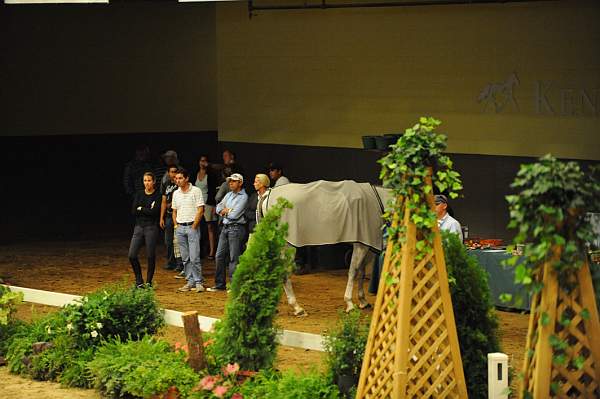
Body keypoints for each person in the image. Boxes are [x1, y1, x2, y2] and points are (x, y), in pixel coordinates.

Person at [207, 173, 248, 292]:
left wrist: (226, 211)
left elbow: (235, 215)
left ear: (240, 183)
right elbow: (219, 208)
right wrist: (226, 210)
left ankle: (234, 286)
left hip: (236, 228)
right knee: (219, 256)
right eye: (230, 181)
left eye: (234, 181)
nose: (230, 183)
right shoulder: (229, 194)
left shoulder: (243, 197)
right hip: (225, 228)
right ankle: (220, 284)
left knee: (233, 258)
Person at [172, 168, 206, 293]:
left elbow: (200, 209)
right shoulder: (176, 193)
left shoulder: (196, 191)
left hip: (192, 226)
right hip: (180, 227)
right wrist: (176, 225)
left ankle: (198, 282)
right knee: (185, 257)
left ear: (186, 178)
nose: (178, 181)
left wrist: (194, 226)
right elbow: (174, 211)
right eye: (176, 178)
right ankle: (190, 281)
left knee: (194, 257)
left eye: (180, 178)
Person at [128, 172, 161, 288]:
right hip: (139, 226)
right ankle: (139, 280)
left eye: (149, 180)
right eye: (145, 181)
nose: (147, 183)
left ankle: (148, 281)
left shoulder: (157, 195)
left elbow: (154, 212)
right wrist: (146, 209)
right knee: (132, 255)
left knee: (150, 255)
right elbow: (133, 211)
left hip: (151, 227)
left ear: (154, 182)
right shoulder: (139, 194)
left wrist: (141, 208)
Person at [194, 155, 218, 259]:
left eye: (204, 161)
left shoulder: (211, 174)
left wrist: (213, 205)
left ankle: (212, 251)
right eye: (201, 160)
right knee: (196, 226)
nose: (202, 163)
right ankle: (198, 250)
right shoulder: (195, 173)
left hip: (208, 203)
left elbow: (213, 190)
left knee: (210, 227)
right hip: (196, 203)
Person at [160, 165, 183, 271]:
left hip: (180, 215)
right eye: (171, 172)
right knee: (168, 241)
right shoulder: (166, 184)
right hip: (169, 216)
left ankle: (180, 264)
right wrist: (161, 217)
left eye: (175, 172)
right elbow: (163, 201)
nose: (173, 174)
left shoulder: (180, 185)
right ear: (168, 173)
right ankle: (170, 262)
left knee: (178, 241)